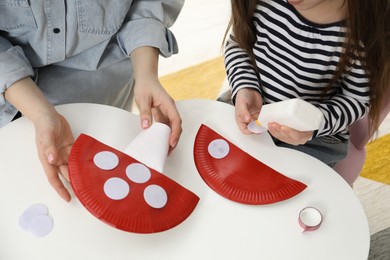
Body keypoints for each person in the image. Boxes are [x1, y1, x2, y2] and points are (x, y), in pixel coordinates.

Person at [0, 0, 185, 202]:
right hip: (13, 99)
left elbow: (149, 4)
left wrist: (146, 74)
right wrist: (40, 113)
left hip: (107, 97)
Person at [223, 0, 389, 178]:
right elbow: (238, 45)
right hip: (247, 110)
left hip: (314, 137)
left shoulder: (364, 32)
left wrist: (312, 123)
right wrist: (245, 86)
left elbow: (357, 100)